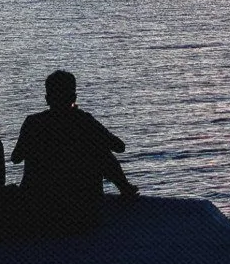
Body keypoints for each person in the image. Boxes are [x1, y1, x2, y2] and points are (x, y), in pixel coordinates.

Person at [10, 70, 138, 230]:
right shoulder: (84, 121)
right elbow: (119, 146)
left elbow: (16, 158)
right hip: (82, 214)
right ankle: (126, 189)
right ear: (74, 97)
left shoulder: (33, 123)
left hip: (36, 212)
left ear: (47, 99)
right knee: (101, 150)